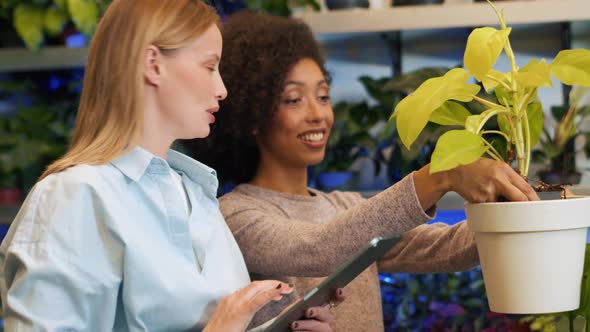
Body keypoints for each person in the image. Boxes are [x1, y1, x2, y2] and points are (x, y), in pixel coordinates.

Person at [186, 11, 540, 331]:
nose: (317, 114)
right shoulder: (236, 214)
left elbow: (445, 249)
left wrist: (523, 213)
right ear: (251, 116)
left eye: (323, 96)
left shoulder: (346, 204)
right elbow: (317, 248)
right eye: (294, 99)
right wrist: (441, 176)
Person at [0, 1, 339, 331]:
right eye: (209, 67)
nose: (222, 89)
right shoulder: (74, 196)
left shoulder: (195, 192)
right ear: (153, 64)